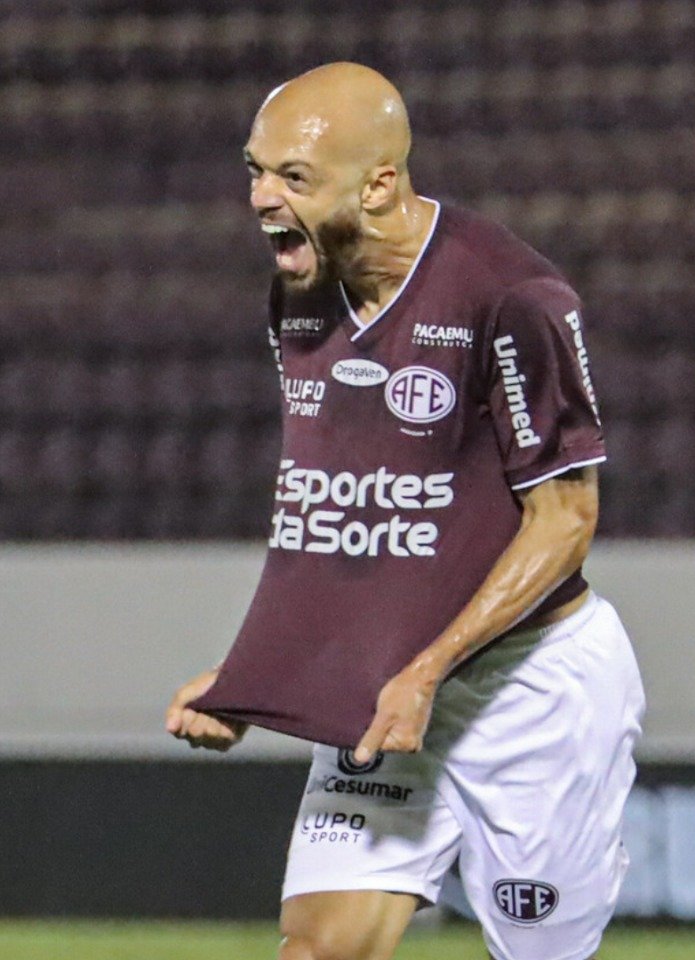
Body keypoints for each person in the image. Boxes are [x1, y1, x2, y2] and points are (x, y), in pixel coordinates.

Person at [163, 62, 645, 960]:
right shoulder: (301, 295)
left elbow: (566, 520)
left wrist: (428, 671)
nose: (262, 198)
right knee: (319, 950)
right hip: (388, 697)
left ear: (380, 182)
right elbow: (338, 516)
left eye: (293, 178)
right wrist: (250, 681)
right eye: (255, 170)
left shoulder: (513, 298)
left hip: (533, 691)